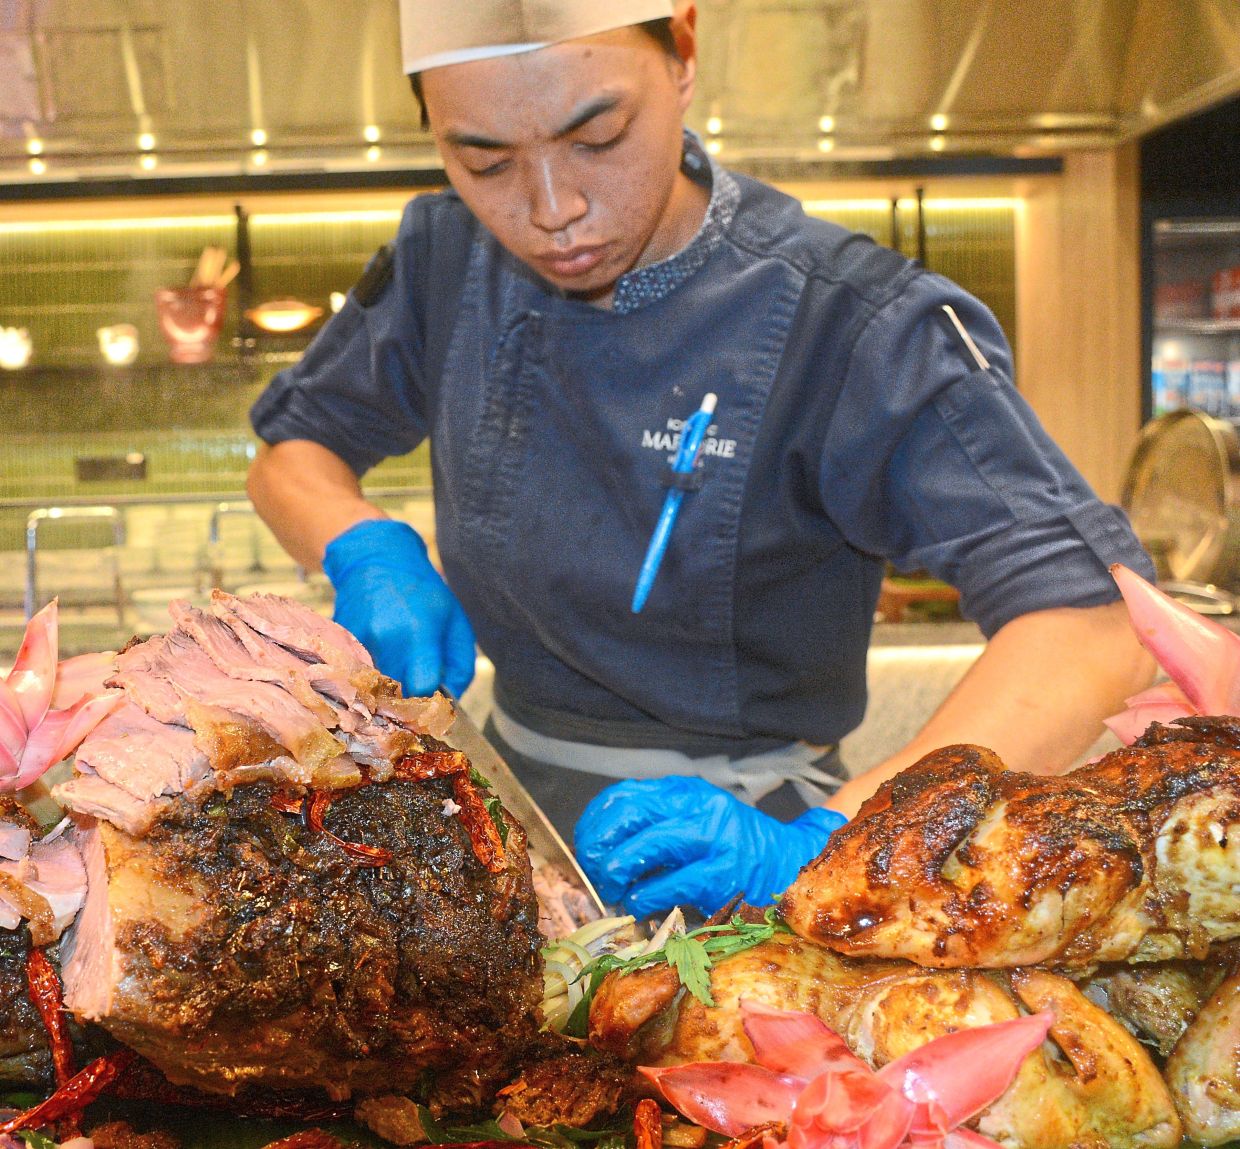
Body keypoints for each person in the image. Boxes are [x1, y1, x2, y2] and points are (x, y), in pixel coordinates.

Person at [246, 0, 1157, 919]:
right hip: (505, 827)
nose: (553, 209)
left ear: (682, 51)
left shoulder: (858, 324)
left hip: (763, 852)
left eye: (599, 136)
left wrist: (836, 843)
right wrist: (360, 542)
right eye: (485, 162)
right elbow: (293, 452)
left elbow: (1093, 628)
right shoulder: (446, 260)